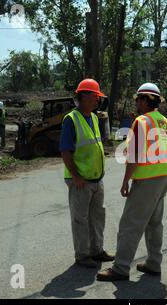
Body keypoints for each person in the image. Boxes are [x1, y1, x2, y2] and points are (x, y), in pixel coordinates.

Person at [97, 83, 167, 281]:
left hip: (146, 180)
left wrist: (125, 181)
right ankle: (154, 263)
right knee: (154, 223)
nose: (136, 102)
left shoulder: (141, 122)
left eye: (138, 99)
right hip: (162, 177)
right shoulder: (164, 121)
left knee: (130, 224)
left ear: (146, 100)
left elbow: (134, 155)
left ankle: (120, 268)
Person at [60, 79, 115, 268]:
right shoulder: (71, 120)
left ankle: (97, 251)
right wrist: (76, 176)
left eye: (97, 97)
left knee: (97, 217)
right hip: (80, 180)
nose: (97, 100)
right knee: (80, 220)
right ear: (82, 97)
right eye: (94, 97)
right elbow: (65, 151)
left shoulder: (93, 117)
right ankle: (82, 255)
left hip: (96, 179)